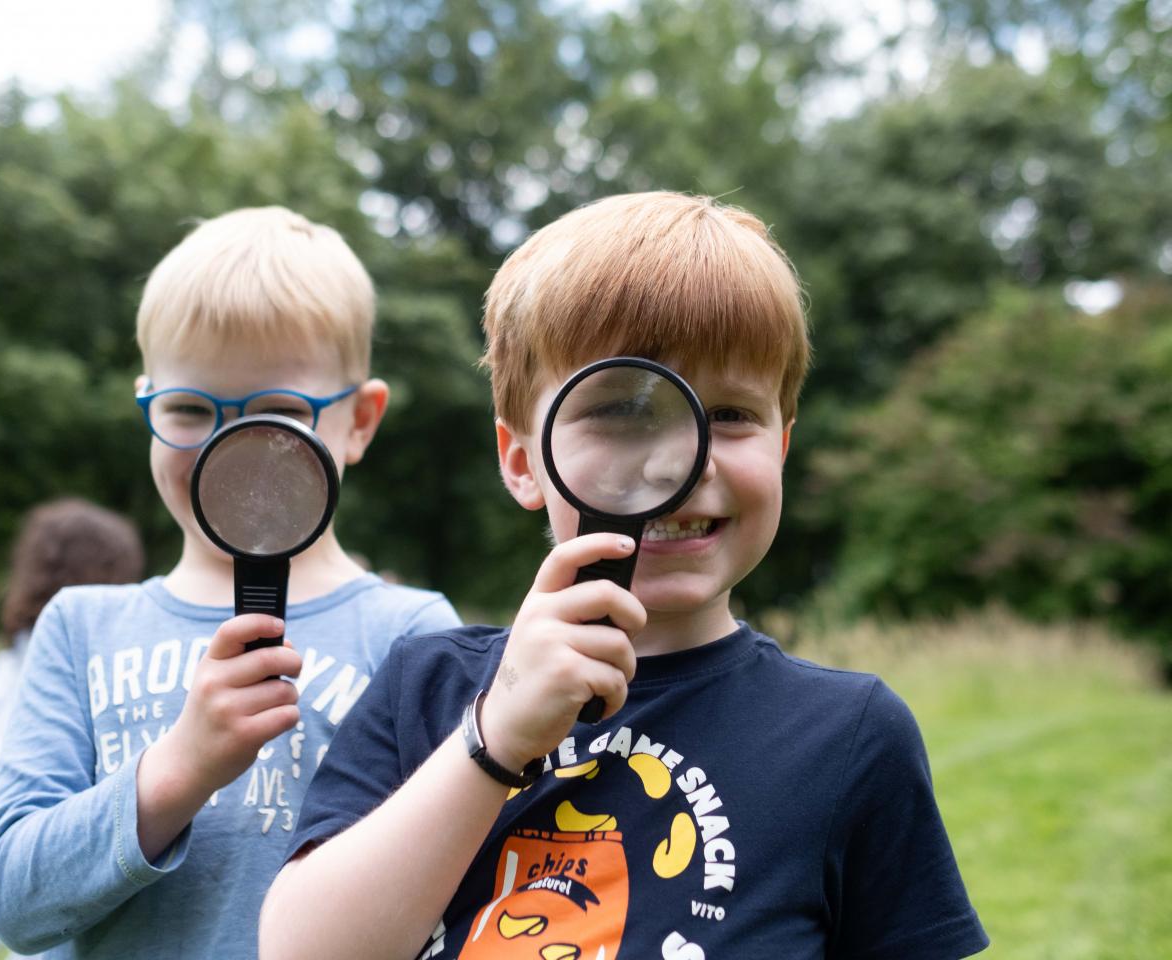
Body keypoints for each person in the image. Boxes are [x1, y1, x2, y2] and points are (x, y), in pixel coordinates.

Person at [261, 193, 989, 960]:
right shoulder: (429, 689)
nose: (682, 462)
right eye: (620, 411)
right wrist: (496, 737)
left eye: (734, 414)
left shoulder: (849, 737)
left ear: (782, 447)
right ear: (521, 462)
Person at [0, 207, 461, 958]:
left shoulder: (412, 633)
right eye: (190, 409)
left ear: (360, 421)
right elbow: (12, 901)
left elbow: (457, 887)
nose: (227, 449)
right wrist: (179, 769)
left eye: (277, 411)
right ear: (146, 407)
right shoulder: (79, 628)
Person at [0, 497, 145, 960]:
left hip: (10, 791)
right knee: (22, 910)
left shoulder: (18, 652)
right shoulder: (98, 651)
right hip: (60, 804)